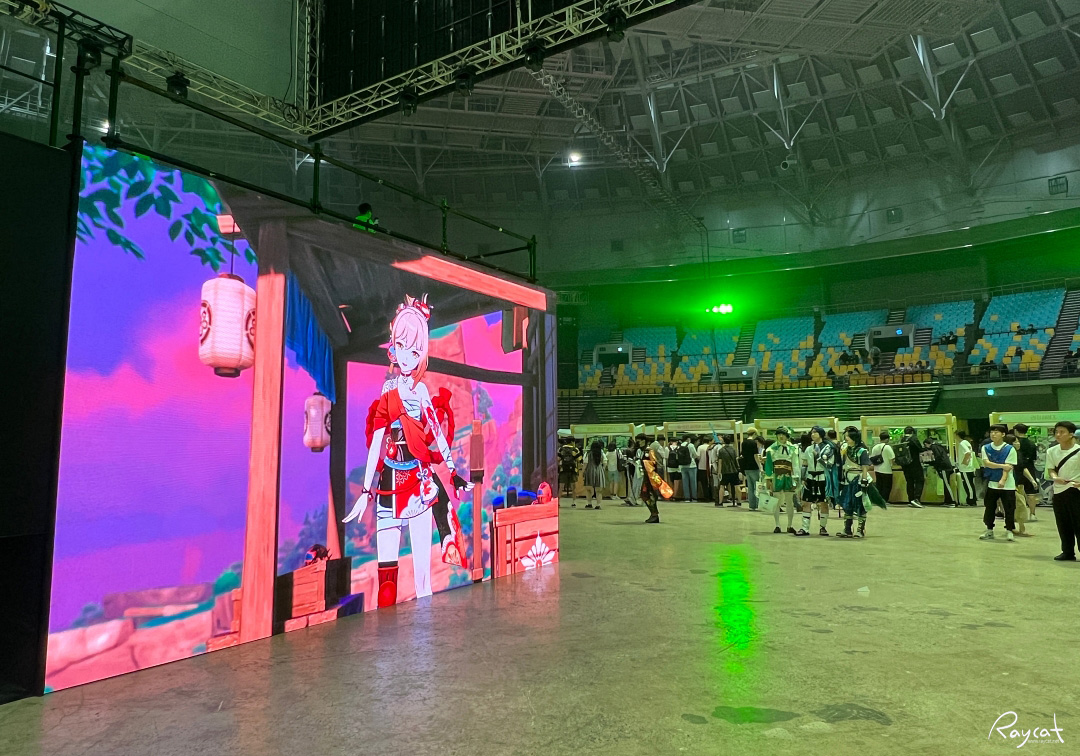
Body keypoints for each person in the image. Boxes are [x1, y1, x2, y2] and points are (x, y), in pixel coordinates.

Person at [342, 293, 474, 608]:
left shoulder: (422, 391)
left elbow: (437, 432)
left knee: (423, 583)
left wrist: (453, 472)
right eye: (401, 346)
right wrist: (366, 491)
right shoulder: (387, 391)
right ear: (393, 346)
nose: (406, 355)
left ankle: (423, 635)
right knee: (386, 578)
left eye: (414, 350)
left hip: (418, 486)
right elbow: (377, 439)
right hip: (389, 485)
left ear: (422, 354)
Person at [836, 428, 887, 538]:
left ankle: (860, 529)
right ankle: (847, 529)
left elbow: (865, 466)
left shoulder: (861, 451)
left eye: (848, 436)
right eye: (846, 436)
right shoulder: (845, 448)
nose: (846, 438)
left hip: (858, 479)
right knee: (847, 504)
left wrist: (864, 480)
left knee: (860, 504)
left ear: (854, 438)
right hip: (847, 479)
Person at [1046, 420, 1080, 561]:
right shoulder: (1051, 451)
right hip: (1059, 490)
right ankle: (1067, 551)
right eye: (1056, 432)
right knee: (1063, 522)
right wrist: (1055, 477)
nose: (1058, 435)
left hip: (1076, 490)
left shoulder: (1078, 450)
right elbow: (1051, 469)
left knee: (1078, 522)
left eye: (1062, 432)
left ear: (1071, 434)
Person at [979, 424, 1018, 542]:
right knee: (990, 507)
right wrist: (1002, 466)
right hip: (992, 483)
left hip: (1008, 485)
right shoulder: (985, 448)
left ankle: (1009, 530)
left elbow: (1009, 467)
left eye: (996, 432)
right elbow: (987, 463)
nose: (993, 434)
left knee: (1009, 508)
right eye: (992, 432)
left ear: (1003, 434)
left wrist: (1003, 480)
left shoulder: (1009, 449)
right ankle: (989, 529)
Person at [764, 427, 803, 535]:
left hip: (789, 476)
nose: (781, 436)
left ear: (787, 436)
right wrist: (768, 479)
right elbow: (768, 465)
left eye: (783, 434)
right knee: (776, 501)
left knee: (789, 501)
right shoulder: (771, 449)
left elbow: (795, 464)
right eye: (779, 434)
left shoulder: (793, 448)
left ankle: (790, 525)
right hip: (776, 476)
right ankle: (777, 525)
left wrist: (796, 478)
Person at [802, 428, 831, 535]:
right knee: (806, 503)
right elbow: (804, 463)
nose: (813, 434)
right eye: (812, 432)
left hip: (822, 477)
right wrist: (803, 477)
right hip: (810, 477)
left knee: (824, 503)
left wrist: (818, 457)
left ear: (821, 434)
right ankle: (804, 528)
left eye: (815, 432)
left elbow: (829, 465)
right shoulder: (809, 448)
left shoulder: (828, 448)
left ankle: (823, 527)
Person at [639, 433, 671, 523]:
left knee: (648, 494)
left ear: (643, 441)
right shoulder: (645, 450)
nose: (638, 443)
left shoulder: (648, 450)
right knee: (646, 494)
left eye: (639, 441)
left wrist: (644, 464)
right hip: (648, 476)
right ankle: (653, 514)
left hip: (650, 476)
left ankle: (654, 514)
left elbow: (652, 462)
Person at [1012, 424, 1040, 523]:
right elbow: (1034, 458)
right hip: (1030, 468)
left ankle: (1018, 514)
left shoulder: (1013, 442)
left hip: (1017, 469)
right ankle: (1032, 514)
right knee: (1031, 492)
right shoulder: (1031, 443)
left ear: (1016, 431)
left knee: (1017, 492)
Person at [898, 426, 925, 508]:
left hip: (905, 465)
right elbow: (920, 449)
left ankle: (911, 499)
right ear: (913, 432)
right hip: (914, 464)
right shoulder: (913, 439)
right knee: (920, 480)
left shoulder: (902, 440)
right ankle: (916, 499)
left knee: (909, 482)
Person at [870, 430, 895, 504]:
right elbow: (892, 458)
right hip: (886, 469)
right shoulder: (887, 447)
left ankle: (879, 500)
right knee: (887, 486)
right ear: (887, 439)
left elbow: (872, 457)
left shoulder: (875, 447)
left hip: (877, 469)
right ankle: (884, 500)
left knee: (879, 485)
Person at [954, 430, 978, 506]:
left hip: (965, 468)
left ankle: (971, 500)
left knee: (968, 484)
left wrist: (964, 462)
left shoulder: (962, 443)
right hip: (969, 467)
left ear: (957, 435)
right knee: (969, 484)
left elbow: (968, 453)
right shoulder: (966, 442)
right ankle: (971, 499)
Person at [740, 428, 762, 510]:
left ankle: (752, 505)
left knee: (750, 487)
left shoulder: (743, 443)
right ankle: (757, 504)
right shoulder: (753, 443)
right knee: (757, 486)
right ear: (754, 434)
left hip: (746, 467)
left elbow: (742, 455)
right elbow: (755, 456)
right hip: (754, 467)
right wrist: (760, 466)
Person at [716, 435, 741, 506]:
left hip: (725, 471)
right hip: (734, 470)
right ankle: (739, 501)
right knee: (737, 485)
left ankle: (720, 502)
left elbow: (720, 462)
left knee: (722, 486)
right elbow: (736, 460)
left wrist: (719, 472)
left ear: (723, 441)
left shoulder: (721, 450)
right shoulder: (733, 450)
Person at [582, 439, 607, 509]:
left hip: (590, 471)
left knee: (589, 489)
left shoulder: (588, 453)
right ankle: (598, 505)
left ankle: (589, 503)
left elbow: (585, 463)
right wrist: (602, 469)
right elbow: (605, 462)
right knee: (598, 490)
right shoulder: (601, 453)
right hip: (599, 471)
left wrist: (583, 472)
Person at [559, 436, 582, 505]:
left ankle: (558, 502)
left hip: (563, 469)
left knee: (561, 486)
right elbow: (579, 459)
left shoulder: (561, 449)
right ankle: (574, 502)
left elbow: (557, 459)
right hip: (573, 470)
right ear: (572, 442)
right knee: (573, 486)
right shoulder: (575, 449)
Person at [678, 435, 699, 501]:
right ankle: (694, 497)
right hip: (691, 465)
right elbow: (695, 455)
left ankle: (687, 497)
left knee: (685, 482)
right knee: (693, 482)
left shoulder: (680, 445)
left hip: (683, 466)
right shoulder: (690, 445)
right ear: (688, 439)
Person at [697, 435, 713, 502]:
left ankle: (706, 497)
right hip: (710, 467)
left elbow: (698, 456)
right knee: (711, 483)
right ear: (709, 441)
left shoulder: (700, 447)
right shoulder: (711, 447)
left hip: (701, 467)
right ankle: (712, 496)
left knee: (704, 484)